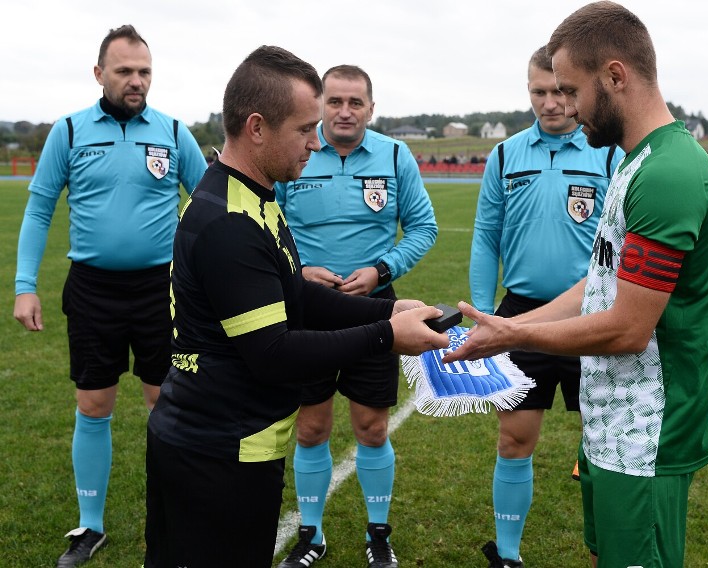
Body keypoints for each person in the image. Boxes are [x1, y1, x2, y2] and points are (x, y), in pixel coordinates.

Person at [444, 3, 708, 567]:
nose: (565, 105)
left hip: (647, 435)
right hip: (612, 425)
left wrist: (511, 339)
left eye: (572, 90)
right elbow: (596, 285)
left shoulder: (667, 173)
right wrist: (508, 323)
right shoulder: (633, 160)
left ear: (615, 77)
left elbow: (626, 328)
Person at [143, 46, 446, 568]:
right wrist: (388, 337)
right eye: (305, 128)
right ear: (257, 127)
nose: (316, 141)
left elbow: (296, 295)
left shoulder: (257, 197)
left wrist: (387, 313)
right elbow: (274, 353)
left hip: (235, 440)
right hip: (217, 449)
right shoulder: (228, 223)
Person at [12, 25, 207, 567]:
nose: (136, 81)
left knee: (166, 405)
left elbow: (211, 197)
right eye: (125, 71)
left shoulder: (171, 130)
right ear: (99, 74)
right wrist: (26, 285)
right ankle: (90, 527)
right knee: (93, 405)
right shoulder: (69, 132)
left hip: (160, 291)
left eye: (144, 71)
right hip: (93, 290)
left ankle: (172, 518)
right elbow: (39, 209)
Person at [274, 64, 438, 568]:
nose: (345, 112)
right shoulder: (296, 150)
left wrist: (381, 267)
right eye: (335, 102)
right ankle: (311, 535)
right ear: (321, 104)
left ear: (371, 107)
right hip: (308, 311)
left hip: (376, 311)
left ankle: (378, 534)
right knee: (311, 428)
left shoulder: (394, 154)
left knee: (371, 428)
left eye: (356, 103)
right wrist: (298, 271)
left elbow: (424, 227)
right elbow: (265, 225)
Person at [470, 46, 622, 568]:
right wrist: (484, 314)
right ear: (527, 92)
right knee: (515, 439)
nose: (552, 102)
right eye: (539, 91)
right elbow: (486, 236)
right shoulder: (506, 155)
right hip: (519, 316)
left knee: (604, 442)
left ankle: (611, 548)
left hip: (592, 315)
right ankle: (507, 554)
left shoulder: (608, 153)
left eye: (560, 91)